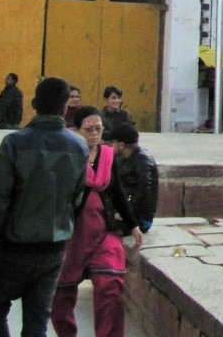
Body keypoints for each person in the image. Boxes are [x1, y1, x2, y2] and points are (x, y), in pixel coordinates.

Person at [0, 76, 89, 337]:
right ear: (64, 108)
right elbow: (77, 200)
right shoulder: (79, 146)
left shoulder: (14, 143)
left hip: (15, 248)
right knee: (37, 320)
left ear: (34, 103)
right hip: (53, 250)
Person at [50, 106, 143, 337]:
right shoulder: (67, 155)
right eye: (89, 129)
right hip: (71, 233)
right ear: (75, 130)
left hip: (103, 230)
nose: (94, 134)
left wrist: (133, 224)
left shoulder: (107, 156)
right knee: (60, 295)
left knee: (110, 287)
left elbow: (117, 191)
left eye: (99, 129)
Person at [112, 123, 159, 232]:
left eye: (113, 142)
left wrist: (125, 212)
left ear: (121, 145)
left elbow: (144, 189)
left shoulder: (142, 159)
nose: (110, 145)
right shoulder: (123, 158)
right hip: (128, 215)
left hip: (140, 220)